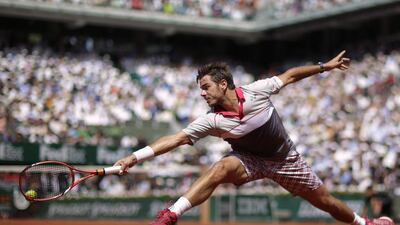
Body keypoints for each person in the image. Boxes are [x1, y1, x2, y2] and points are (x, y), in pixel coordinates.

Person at [114, 50, 394, 225]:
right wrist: (134, 157)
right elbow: (175, 139)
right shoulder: (211, 120)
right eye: (200, 89)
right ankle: (171, 215)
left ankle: (364, 223)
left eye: (206, 87)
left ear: (223, 84)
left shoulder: (256, 91)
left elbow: (291, 76)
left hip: (286, 160)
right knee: (221, 167)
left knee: (325, 202)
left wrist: (325, 66)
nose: (202, 93)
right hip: (249, 160)